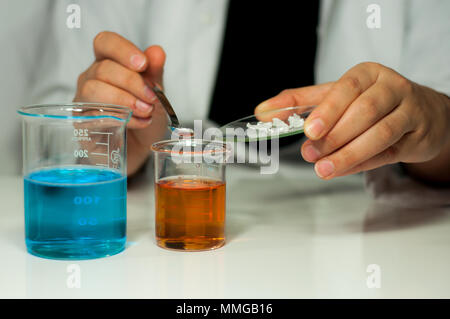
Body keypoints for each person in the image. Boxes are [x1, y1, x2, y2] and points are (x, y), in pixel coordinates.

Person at [2, 1, 449, 196]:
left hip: (369, 231)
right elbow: (46, 133)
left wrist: (438, 126)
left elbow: (437, 131)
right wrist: (115, 145)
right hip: (159, 230)